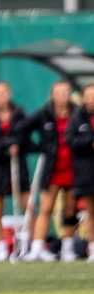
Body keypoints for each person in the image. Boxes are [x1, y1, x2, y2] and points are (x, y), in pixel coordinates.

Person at [22, 80, 78, 262]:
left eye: (66, 92)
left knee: (70, 210)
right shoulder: (44, 113)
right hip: (52, 170)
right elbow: (22, 129)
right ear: (52, 95)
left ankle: (67, 248)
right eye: (59, 92)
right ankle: (38, 248)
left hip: (74, 168)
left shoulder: (78, 112)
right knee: (46, 208)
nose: (63, 96)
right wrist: (37, 147)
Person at [0, 81, 30, 261]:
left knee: (29, 205)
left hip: (18, 166)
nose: (0, 96)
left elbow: (25, 136)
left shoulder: (19, 113)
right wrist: (4, 147)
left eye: (3, 93)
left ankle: (27, 244)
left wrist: (17, 145)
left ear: (9, 94)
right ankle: (0, 246)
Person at [65, 84, 94, 263]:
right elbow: (71, 140)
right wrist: (90, 142)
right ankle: (92, 248)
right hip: (86, 173)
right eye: (89, 96)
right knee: (91, 211)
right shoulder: (77, 117)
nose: (92, 99)